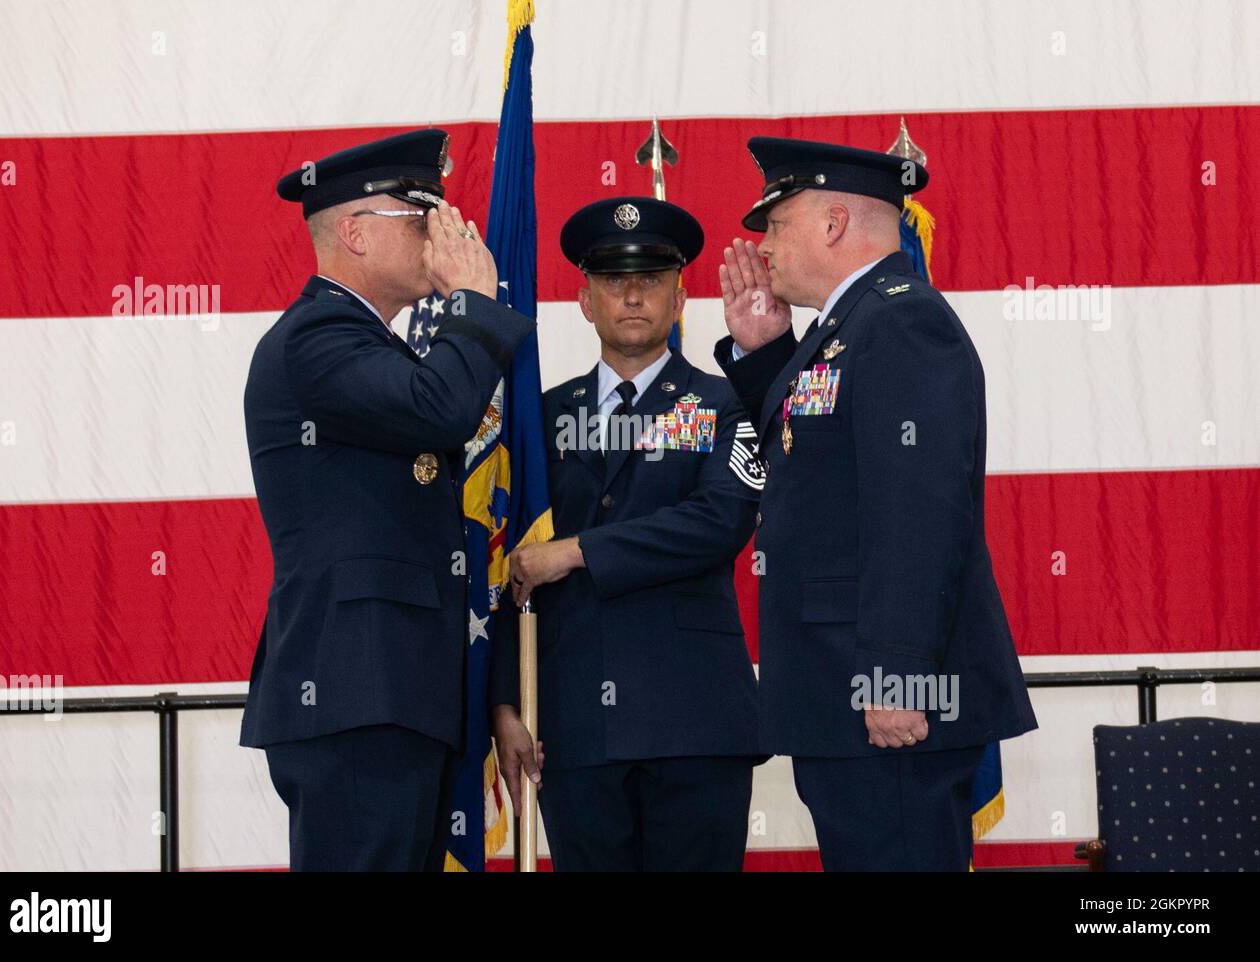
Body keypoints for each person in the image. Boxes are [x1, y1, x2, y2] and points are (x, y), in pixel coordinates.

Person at [714, 137, 1038, 871]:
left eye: (776, 224)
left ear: (832, 223)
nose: (763, 247)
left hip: (885, 699)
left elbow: (917, 513)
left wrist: (897, 671)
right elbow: (817, 464)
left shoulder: (899, 322)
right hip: (840, 692)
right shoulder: (846, 328)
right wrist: (769, 354)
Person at [239, 128, 536, 871]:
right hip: (351, 691)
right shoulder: (317, 337)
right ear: (354, 233)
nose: (441, 231)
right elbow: (441, 408)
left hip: (395, 692)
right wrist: (471, 299)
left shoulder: (369, 343)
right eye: (419, 215)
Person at [490, 197, 764, 871]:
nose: (633, 294)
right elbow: (504, 559)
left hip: (694, 724)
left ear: (681, 297)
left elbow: (719, 520)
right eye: (614, 279)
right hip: (575, 728)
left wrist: (578, 551)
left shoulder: (728, 402)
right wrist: (502, 702)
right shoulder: (541, 421)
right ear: (584, 300)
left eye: (652, 278)